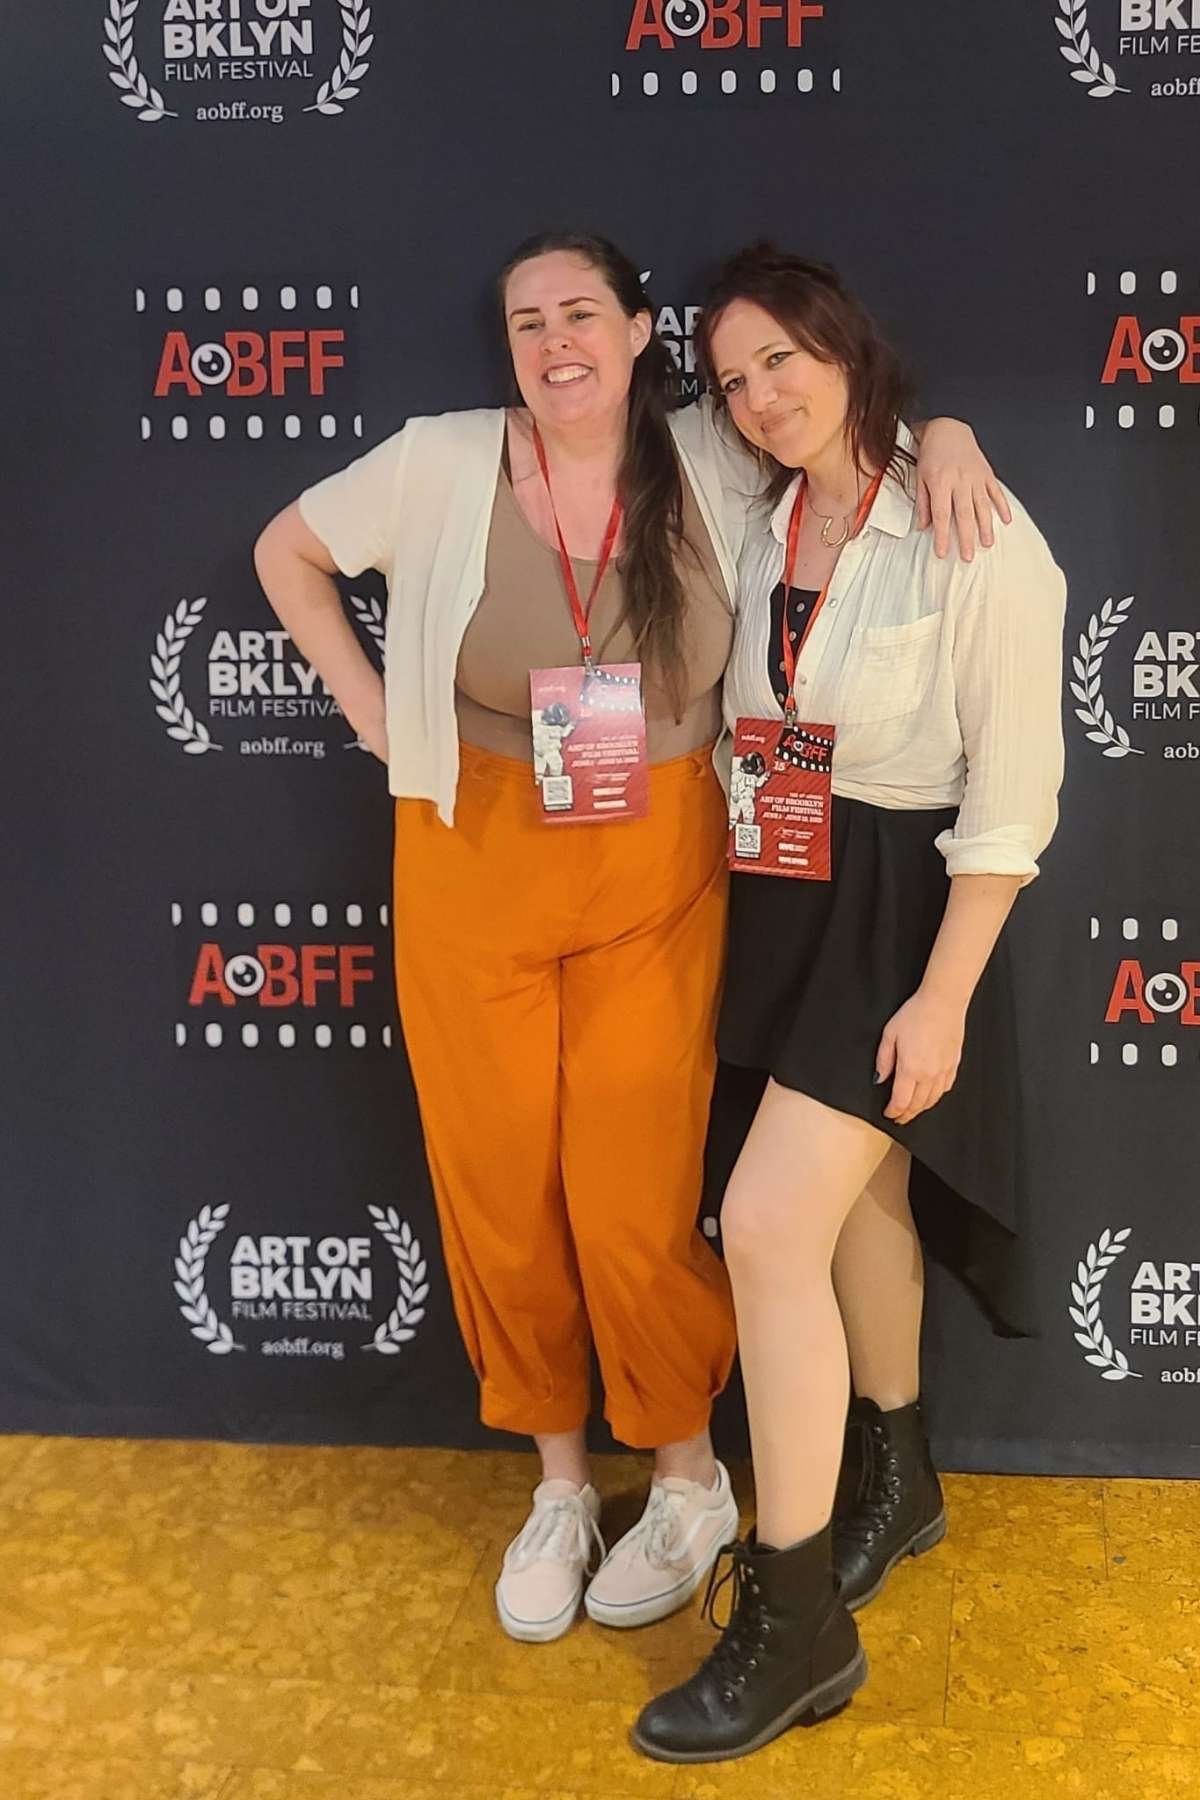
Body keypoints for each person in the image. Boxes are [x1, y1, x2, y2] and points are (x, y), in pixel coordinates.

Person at [253, 231, 1000, 1649]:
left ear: (639, 328)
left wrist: (948, 430)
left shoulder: (705, 455)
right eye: (526, 322)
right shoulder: (440, 458)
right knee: (498, 1184)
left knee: (635, 1187)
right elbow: (287, 549)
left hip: (659, 859)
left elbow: (843, 431)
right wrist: (369, 713)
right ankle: (554, 1481)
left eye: (579, 312)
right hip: (474, 852)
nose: (553, 344)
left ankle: (683, 1475)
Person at [633, 244, 1065, 1763]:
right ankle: (902, 1471)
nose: (760, 399)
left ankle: (801, 1613)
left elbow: (1009, 809)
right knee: (851, 1217)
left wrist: (943, 1000)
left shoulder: (980, 538)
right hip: (780, 887)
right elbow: (620, 417)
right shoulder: (754, 493)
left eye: (784, 364)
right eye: (733, 376)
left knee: (762, 1227)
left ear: (846, 348)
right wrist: (916, 419)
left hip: (901, 916)